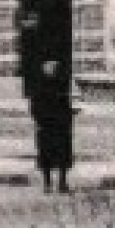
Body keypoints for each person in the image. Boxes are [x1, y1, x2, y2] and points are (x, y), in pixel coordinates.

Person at [30, 57, 76, 193]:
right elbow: (64, 105)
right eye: (55, 70)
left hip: (47, 127)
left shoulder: (40, 88)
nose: (56, 72)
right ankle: (59, 183)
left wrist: (39, 121)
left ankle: (50, 184)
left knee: (48, 157)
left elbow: (35, 108)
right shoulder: (60, 86)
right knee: (59, 156)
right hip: (56, 127)